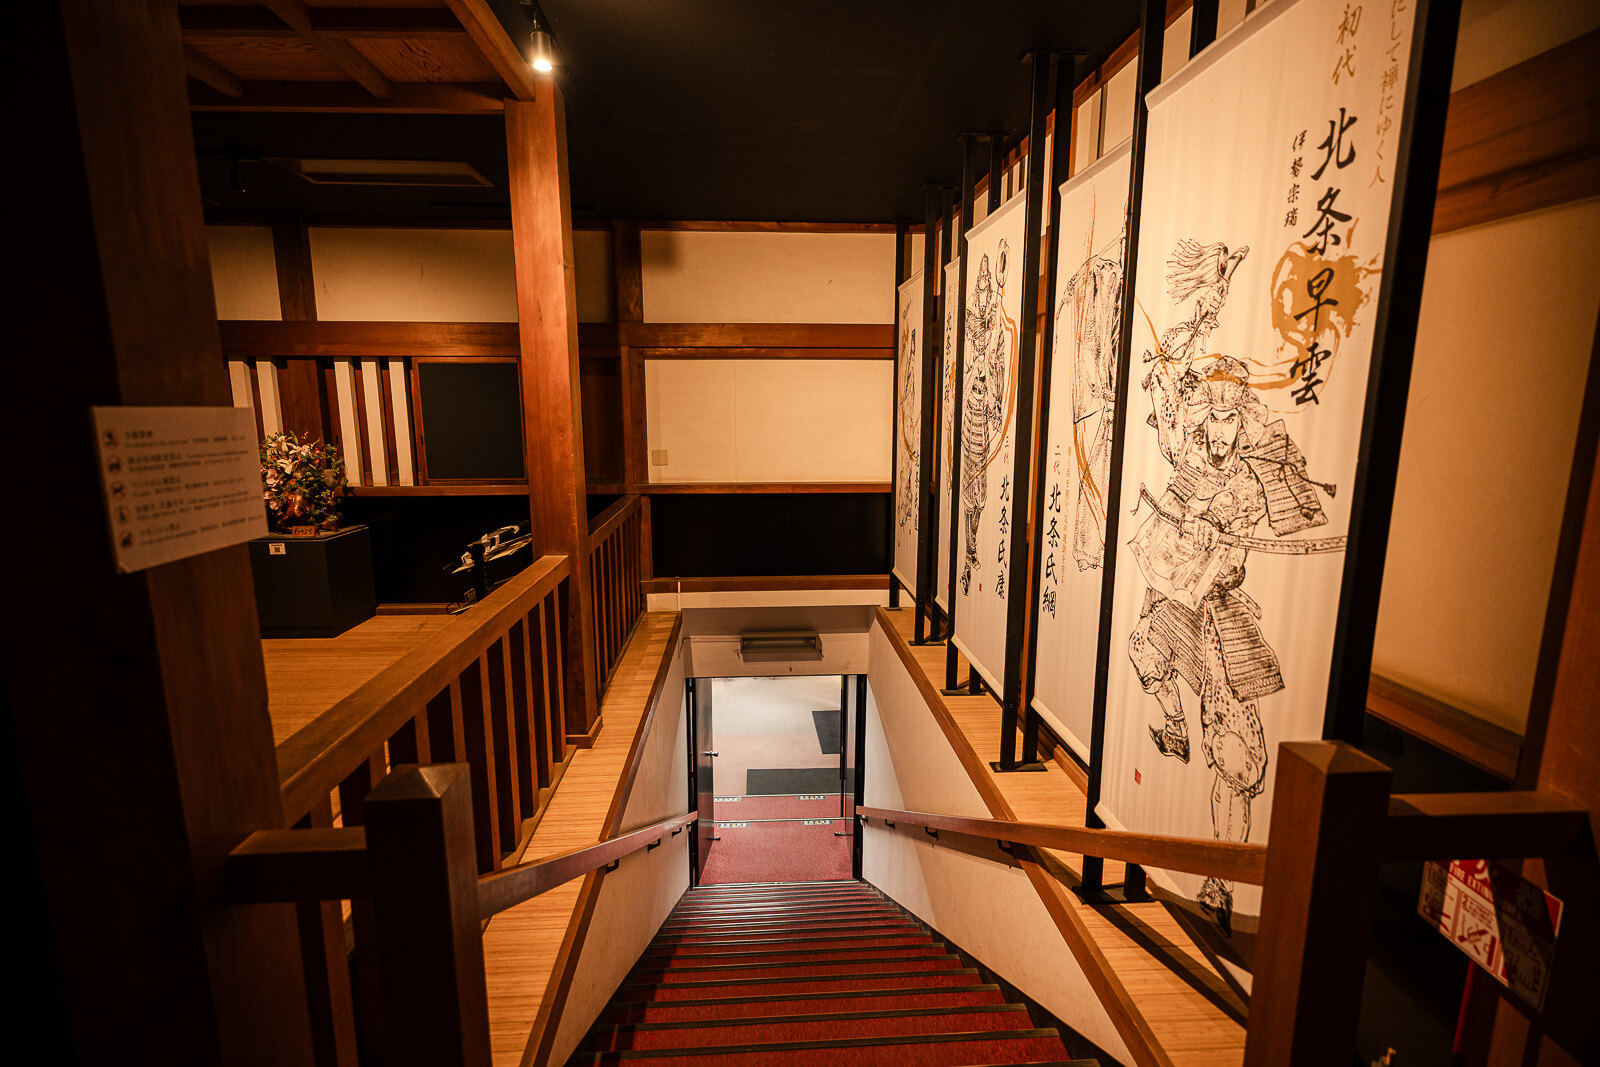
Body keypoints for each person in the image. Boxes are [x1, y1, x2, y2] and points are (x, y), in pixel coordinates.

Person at [1126, 355, 1331, 934]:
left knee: (1236, 756)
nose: (1219, 432)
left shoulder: (1254, 475)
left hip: (1220, 612)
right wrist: (1185, 522)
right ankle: (1174, 726)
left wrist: (1224, 528)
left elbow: (1273, 526)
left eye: (1229, 419)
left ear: (1242, 419)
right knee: (1143, 649)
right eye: (1212, 419)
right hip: (1179, 601)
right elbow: (1166, 523)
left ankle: (1219, 880)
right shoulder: (1193, 460)